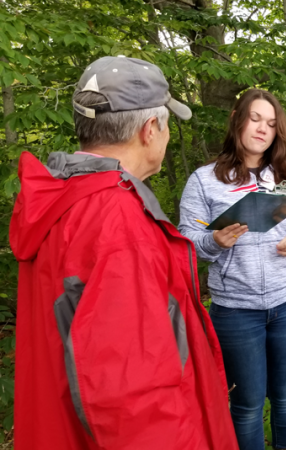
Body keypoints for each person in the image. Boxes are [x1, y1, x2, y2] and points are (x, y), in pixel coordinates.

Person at [9, 56, 237, 449]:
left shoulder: (59, 200)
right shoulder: (117, 223)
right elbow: (134, 402)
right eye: (166, 124)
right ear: (150, 129)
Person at [178, 89, 286, 450]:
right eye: (255, 118)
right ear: (237, 120)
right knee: (246, 405)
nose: (262, 129)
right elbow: (186, 239)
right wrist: (215, 241)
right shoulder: (204, 180)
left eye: (271, 124)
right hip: (236, 312)